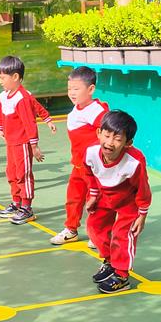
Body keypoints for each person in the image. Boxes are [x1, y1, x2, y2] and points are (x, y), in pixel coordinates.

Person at [84, 110, 151, 293]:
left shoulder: (134, 162)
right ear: (99, 133)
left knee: (122, 235)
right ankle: (110, 261)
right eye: (106, 135)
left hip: (128, 201)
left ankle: (121, 275)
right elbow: (89, 172)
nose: (110, 142)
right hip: (104, 195)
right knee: (94, 227)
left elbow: (143, 188)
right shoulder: (90, 153)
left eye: (117, 139)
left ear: (128, 143)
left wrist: (142, 214)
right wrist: (93, 194)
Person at [50, 66, 109, 246]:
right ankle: (71, 229)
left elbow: (109, 133)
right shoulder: (76, 110)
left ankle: (97, 233)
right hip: (78, 165)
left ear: (90, 89)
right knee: (73, 199)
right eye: (69, 89)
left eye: (76, 89)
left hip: (94, 168)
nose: (72, 93)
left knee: (95, 200)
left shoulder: (98, 111)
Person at [0, 55, 45, 225]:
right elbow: (1, 113)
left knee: (23, 174)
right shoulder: (3, 96)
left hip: (22, 143)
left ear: (15, 76)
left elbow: (30, 122)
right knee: (11, 172)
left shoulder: (22, 98)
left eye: (3, 78)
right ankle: (16, 203)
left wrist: (34, 145)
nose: (0, 81)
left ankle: (27, 207)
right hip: (10, 142)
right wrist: (0, 127)